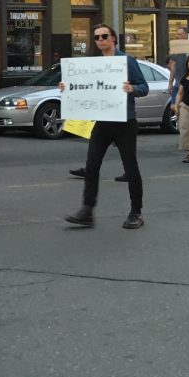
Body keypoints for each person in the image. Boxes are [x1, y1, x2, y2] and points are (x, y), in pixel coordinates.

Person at [65, 23, 149, 229]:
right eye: (96, 38)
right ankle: (87, 210)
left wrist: (132, 88)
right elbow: (83, 88)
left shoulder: (127, 61)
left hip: (124, 122)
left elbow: (144, 87)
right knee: (92, 165)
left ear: (113, 38)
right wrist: (67, 87)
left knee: (130, 168)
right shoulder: (93, 65)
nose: (100, 40)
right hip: (102, 121)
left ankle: (136, 212)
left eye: (104, 36)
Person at [165, 26, 189, 108]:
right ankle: (176, 120)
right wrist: (170, 83)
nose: (177, 36)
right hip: (178, 83)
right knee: (174, 106)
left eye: (179, 34)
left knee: (185, 107)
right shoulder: (176, 48)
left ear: (186, 35)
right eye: (177, 34)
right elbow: (173, 66)